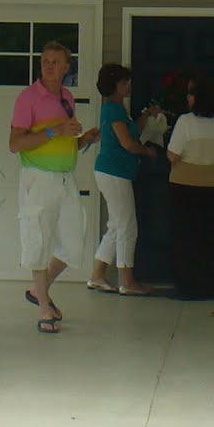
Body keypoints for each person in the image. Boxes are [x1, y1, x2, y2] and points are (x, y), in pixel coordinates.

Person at [8, 40, 99, 333]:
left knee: (74, 240)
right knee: (38, 237)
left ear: (66, 67)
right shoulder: (28, 98)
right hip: (38, 177)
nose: (49, 66)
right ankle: (44, 308)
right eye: (45, 61)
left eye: (55, 61)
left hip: (65, 177)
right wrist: (53, 130)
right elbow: (15, 143)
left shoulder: (67, 98)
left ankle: (39, 289)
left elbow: (66, 141)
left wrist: (84, 140)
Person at [86, 62, 161, 295]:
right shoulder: (114, 110)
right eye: (124, 82)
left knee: (116, 225)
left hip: (112, 172)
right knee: (128, 226)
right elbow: (128, 143)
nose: (128, 85)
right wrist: (147, 151)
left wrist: (146, 116)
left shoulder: (117, 109)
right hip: (114, 172)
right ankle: (127, 282)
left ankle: (97, 276)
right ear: (114, 85)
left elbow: (132, 131)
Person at [167, 74, 214, 300]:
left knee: (186, 238)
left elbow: (173, 154)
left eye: (191, 93)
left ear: (197, 97)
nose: (188, 97)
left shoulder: (186, 121)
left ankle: (189, 287)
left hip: (186, 185)